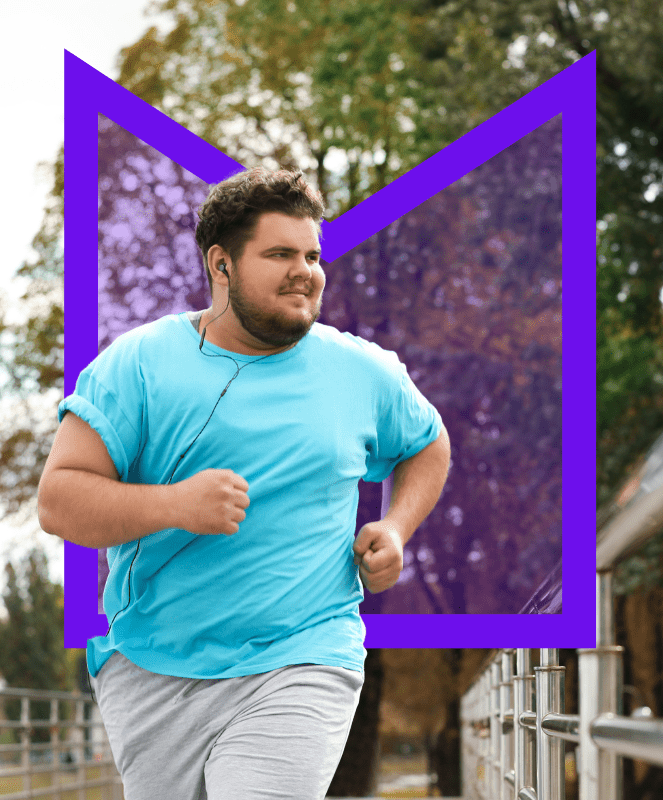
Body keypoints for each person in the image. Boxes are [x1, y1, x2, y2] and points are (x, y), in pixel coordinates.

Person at [37, 168, 451, 799]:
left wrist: (395, 526)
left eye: (312, 255)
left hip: (304, 651)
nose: (305, 271)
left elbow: (428, 445)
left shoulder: (361, 372)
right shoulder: (139, 365)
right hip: (154, 664)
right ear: (221, 264)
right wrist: (176, 504)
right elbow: (59, 500)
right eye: (280, 254)